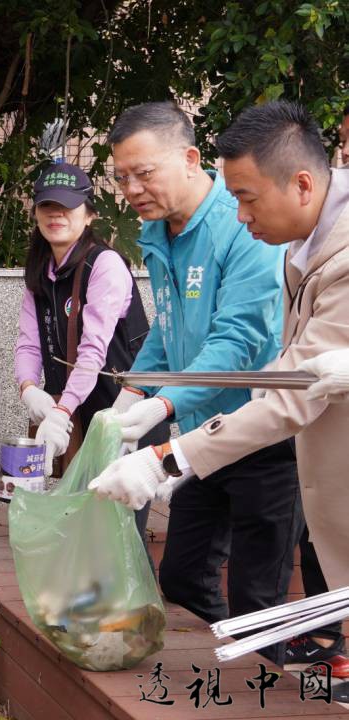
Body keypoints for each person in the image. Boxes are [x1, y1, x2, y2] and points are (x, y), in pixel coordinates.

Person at [92, 101, 349, 674]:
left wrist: (164, 453)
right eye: (121, 177)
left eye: (248, 198)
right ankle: (240, 672)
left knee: (262, 599)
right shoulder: (289, 235)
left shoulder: (299, 247)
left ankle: (274, 678)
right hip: (216, 432)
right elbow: (168, 327)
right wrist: (135, 396)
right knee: (186, 575)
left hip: (264, 438)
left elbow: (264, 369)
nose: (239, 213)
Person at [11, 161, 167, 539]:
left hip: (126, 412)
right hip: (77, 415)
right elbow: (29, 341)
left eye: (67, 206)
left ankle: (128, 600)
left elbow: (93, 350)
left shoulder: (105, 264)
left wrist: (61, 411)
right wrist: (28, 388)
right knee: (80, 530)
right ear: (34, 212)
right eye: (47, 206)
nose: (56, 214)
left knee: (119, 535)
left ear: (90, 214)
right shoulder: (41, 270)